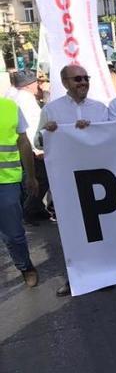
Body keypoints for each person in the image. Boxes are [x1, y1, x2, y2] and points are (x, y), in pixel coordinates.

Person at [37, 64, 111, 296]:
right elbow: (39, 142)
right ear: (65, 82)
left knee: (104, 227)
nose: (83, 82)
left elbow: (112, 137)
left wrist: (94, 131)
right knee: (73, 230)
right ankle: (76, 277)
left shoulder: (100, 109)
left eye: (85, 78)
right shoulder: (51, 110)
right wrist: (46, 132)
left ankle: (108, 272)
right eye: (77, 79)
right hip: (67, 181)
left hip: (99, 177)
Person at [0, 96, 39, 288]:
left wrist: (31, 175)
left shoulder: (9, 107)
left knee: (13, 234)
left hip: (5, 181)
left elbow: (23, 141)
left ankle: (25, 267)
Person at [7, 72, 49, 225]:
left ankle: (36, 208)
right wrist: (37, 149)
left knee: (33, 178)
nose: (38, 85)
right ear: (29, 85)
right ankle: (31, 209)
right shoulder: (26, 99)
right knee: (41, 178)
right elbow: (30, 125)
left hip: (16, 147)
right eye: (36, 83)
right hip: (29, 146)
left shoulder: (13, 97)